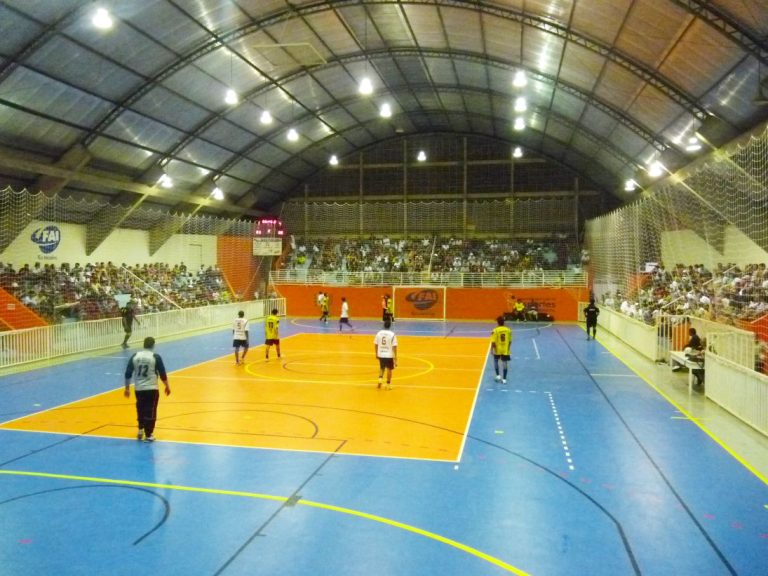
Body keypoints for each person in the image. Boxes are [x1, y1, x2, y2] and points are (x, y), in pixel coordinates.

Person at [124, 336, 170, 442]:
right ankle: (149, 434)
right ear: (153, 345)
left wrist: (127, 388)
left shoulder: (135, 356)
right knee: (151, 410)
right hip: (151, 388)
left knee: (140, 408)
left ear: (143, 344)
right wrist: (167, 386)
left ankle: (140, 429)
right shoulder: (155, 357)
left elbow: (128, 373)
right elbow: (162, 373)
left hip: (139, 389)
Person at [374, 319, 397, 390]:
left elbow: (376, 344)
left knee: (382, 368)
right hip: (389, 355)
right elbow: (394, 347)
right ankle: (388, 385)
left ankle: (379, 382)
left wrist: (376, 353)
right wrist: (395, 357)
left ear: (384, 325)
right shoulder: (392, 334)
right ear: (390, 326)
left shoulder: (379, 333)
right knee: (389, 369)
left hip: (381, 353)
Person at [490, 316, 512, 384]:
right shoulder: (508, 330)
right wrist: (508, 348)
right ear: (503, 322)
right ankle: (504, 379)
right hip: (505, 349)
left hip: (497, 349)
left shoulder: (495, 330)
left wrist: (492, 349)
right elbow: (510, 341)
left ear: (498, 322)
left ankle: (498, 376)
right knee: (505, 363)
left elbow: (493, 342)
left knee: (496, 361)